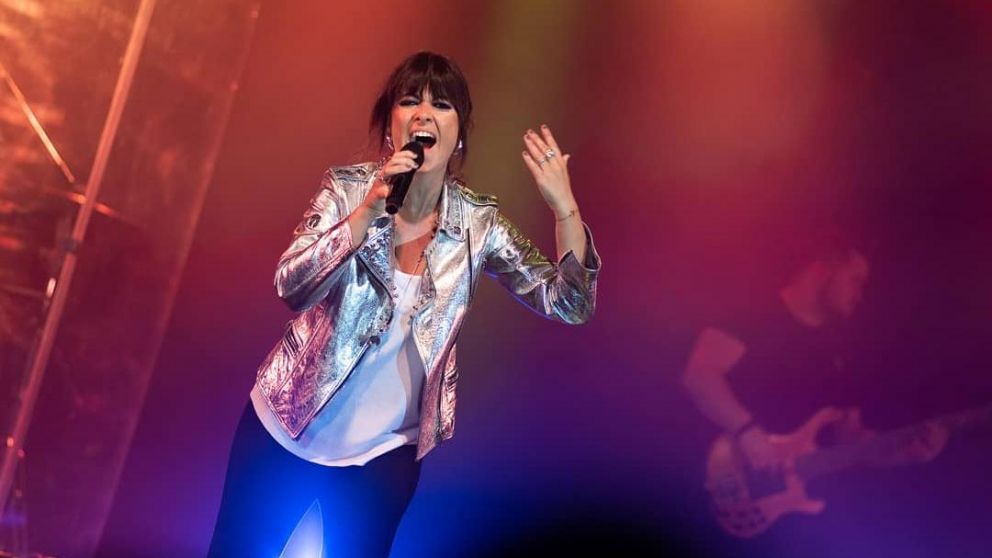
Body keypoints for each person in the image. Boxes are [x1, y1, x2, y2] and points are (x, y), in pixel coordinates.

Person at [207, 51, 600, 557]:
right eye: (409, 101)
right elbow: (291, 285)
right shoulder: (347, 190)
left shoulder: (478, 227)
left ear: (458, 134)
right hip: (285, 432)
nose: (423, 114)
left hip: (384, 457)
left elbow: (568, 303)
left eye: (441, 104)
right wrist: (370, 209)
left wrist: (564, 208)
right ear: (391, 125)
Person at [681, 229, 948, 557]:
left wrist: (904, 453)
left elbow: (850, 442)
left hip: (792, 525)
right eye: (854, 280)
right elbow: (699, 376)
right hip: (719, 497)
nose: (860, 294)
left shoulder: (842, 349)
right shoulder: (752, 313)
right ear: (821, 270)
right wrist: (750, 434)